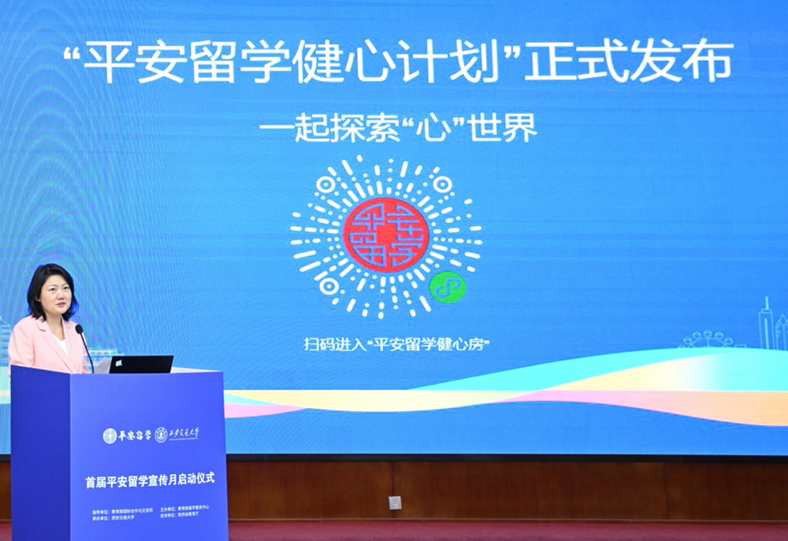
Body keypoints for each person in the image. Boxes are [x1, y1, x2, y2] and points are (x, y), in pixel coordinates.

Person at [7, 263, 89, 375]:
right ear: (37, 296)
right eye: (53, 289)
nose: (61, 295)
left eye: (65, 288)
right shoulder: (25, 329)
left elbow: (84, 374)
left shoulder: (76, 330)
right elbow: (20, 377)